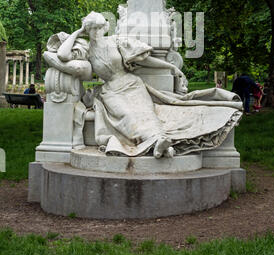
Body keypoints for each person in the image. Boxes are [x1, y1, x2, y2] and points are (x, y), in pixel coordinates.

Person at [48, 11, 243, 158]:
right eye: (92, 28)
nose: (97, 32)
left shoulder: (117, 41)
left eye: (100, 27)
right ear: (88, 30)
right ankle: (156, 143)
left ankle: (160, 142)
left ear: (105, 28)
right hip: (111, 91)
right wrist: (78, 31)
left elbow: (145, 60)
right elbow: (63, 55)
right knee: (127, 115)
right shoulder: (85, 49)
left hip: (132, 84)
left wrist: (171, 67)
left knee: (146, 113)